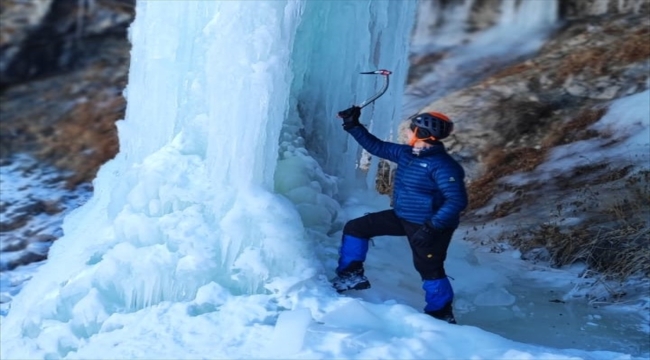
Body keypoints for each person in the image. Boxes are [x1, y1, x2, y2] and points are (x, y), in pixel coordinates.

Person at [331, 105, 468, 324]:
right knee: (357, 228)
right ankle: (351, 276)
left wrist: (432, 227)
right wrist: (352, 124)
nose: (406, 132)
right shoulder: (406, 153)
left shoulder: (443, 166)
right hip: (402, 217)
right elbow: (376, 147)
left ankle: (441, 314)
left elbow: (456, 200)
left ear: (421, 134)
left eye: (410, 129)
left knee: (429, 269)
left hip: (431, 226)